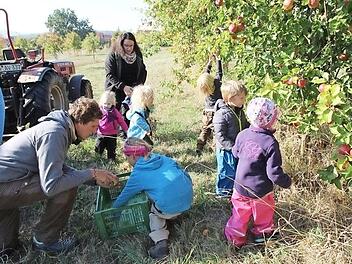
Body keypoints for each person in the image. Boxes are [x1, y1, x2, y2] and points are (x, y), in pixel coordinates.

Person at [0, 97, 119, 256]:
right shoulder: (55, 133)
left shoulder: (58, 127)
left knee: (7, 248)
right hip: (4, 186)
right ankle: (45, 241)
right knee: (65, 188)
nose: (94, 132)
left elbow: (58, 167)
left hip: (7, 182)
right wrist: (91, 173)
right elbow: (52, 185)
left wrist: (93, 178)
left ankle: (6, 246)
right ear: (80, 121)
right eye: (93, 126)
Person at [224, 97, 291, 247]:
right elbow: (273, 173)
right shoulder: (270, 143)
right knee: (264, 212)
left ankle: (235, 238)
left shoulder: (242, 135)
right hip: (261, 190)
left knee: (239, 213)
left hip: (240, 186)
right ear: (271, 120)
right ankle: (262, 233)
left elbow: (235, 153)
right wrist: (286, 181)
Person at [113, 138, 193, 260]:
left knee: (153, 214)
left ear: (133, 157)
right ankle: (174, 214)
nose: (127, 160)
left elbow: (124, 196)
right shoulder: (163, 158)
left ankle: (160, 243)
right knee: (162, 192)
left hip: (172, 206)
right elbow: (181, 171)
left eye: (126, 157)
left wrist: (114, 209)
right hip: (188, 198)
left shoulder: (138, 174)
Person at [213, 80, 249, 198]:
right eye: (241, 98)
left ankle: (234, 189)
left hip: (238, 148)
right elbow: (220, 135)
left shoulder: (239, 111)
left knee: (236, 169)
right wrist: (232, 147)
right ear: (230, 98)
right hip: (226, 150)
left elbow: (244, 125)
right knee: (226, 171)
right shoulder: (222, 114)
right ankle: (223, 192)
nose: (243, 100)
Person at [105, 32, 147, 125]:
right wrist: (123, 87)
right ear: (121, 44)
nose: (129, 48)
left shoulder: (138, 55)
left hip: (132, 90)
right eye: (126, 45)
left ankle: (127, 134)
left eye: (131, 45)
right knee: (113, 117)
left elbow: (143, 71)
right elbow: (109, 75)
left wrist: (137, 87)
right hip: (116, 89)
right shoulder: (113, 55)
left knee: (128, 115)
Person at [196, 53, 223, 156]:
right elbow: (219, 73)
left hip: (207, 112)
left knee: (205, 130)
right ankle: (216, 149)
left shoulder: (204, 88)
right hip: (217, 112)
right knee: (217, 131)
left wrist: (209, 63)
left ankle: (199, 147)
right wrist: (218, 61)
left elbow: (205, 75)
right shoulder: (216, 84)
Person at [95, 91, 128, 160]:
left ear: (113, 103)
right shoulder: (99, 111)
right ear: (101, 103)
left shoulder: (115, 112)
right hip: (101, 134)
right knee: (99, 147)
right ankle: (97, 158)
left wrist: (126, 130)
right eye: (105, 103)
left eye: (109, 104)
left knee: (111, 149)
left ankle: (111, 159)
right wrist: (94, 129)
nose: (106, 105)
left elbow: (121, 121)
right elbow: (95, 121)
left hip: (112, 135)